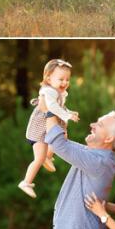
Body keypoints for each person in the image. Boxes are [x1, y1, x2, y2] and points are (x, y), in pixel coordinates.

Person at [19, 59, 80, 198]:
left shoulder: (58, 92)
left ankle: (48, 156)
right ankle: (26, 182)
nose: (65, 82)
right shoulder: (48, 91)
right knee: (38, 158)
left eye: (67, 79)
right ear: (48, 78)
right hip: (40, 126)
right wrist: (67, 116)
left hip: (49, 123)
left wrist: (68, 112)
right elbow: (52, 107)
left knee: (62, 138)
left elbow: (58, 107)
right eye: (61, 79)